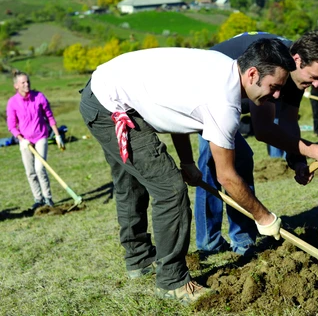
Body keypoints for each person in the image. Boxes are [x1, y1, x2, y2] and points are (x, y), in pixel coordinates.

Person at [78, 39, 296, 304]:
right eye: (274, 87)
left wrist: (188, 162)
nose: (276, 96)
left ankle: (139, 260)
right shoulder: (225, 104)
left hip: (107, 86)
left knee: (134, 180)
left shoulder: (223, 66)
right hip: (109, 103)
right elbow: (226, 176)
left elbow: (177, 112)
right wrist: (264, 218)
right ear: (252, 74)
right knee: (169, 190)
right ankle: (172, 281)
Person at [195, 31, 318, 256]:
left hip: (233, 105)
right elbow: (263, 130)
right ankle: (209, 243)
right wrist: (313, 149)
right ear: (297, 60)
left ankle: (243, 239)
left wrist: (298, 160)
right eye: (314, 76)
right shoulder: (272, 63)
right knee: (214, 165)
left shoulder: (295, 76)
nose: (316, 84)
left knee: (242, 160)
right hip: (205, 95)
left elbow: (288, 120)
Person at [6, 71, 65, 210]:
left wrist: (57, 135)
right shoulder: (12, 103)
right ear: (16, 86)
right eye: (23, 83)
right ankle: (38, 199)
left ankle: (48, 199)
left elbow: (50, 117)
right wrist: (21, 139)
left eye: (28, 82)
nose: (27, 84)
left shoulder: (39, 97)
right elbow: (11, 125)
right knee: (30, 172)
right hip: (25, 141)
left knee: (40, 169)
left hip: (41, 137)